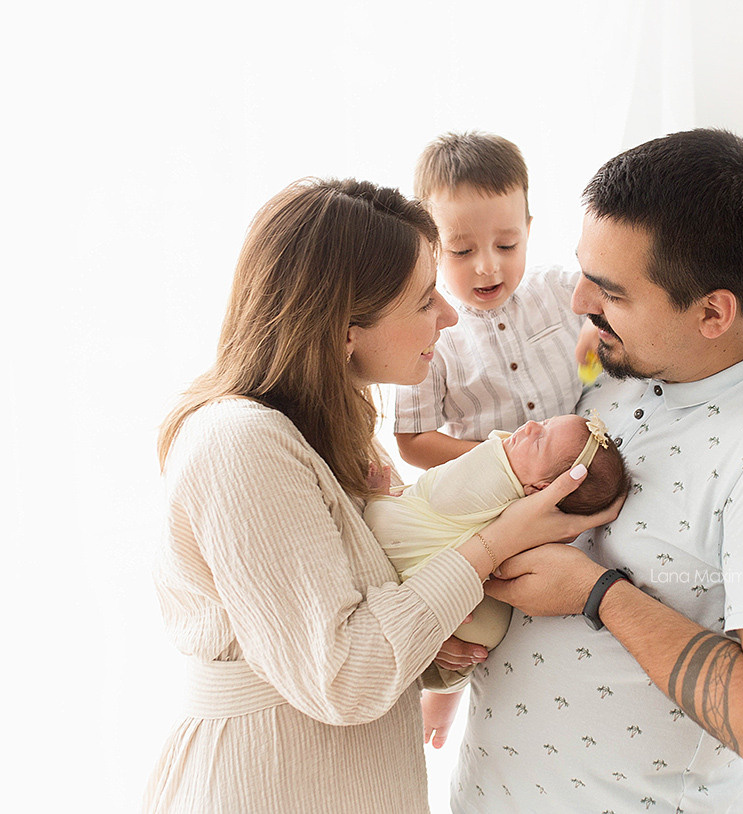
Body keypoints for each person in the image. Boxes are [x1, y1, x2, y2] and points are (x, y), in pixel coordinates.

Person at [141, 178, 620, 814]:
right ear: (344, 328)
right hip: (267, 786)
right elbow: (342, 676)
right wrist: (498, 540)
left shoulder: (332, 437)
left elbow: (350, 621)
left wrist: (433, 647)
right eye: (425, 301)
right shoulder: (240, 444)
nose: (450, 316)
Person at [449, 129, 743, 813]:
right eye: (583, 270)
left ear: (713, 312)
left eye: (610, 291)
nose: (577, 303)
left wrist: (597, 595)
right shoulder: (613, 359)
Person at [365, 411, 628, 747]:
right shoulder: (540, 513)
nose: (530, 426)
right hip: (482, 622)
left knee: (386, 519)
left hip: (415, 573)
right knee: (469, 640)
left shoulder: (491, 477)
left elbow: (441, 490)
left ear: (544, 488)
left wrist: (378, 499)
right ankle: (443, 703)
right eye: (545, 423)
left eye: (540, 440)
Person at [394, 131, 597, 469]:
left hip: (580, 465)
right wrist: (505, 460)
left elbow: (614, 287)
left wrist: (597, 323)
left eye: (506, 246)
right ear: (432, 247)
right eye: (462, 251)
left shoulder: (557, 289)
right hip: (493, 488)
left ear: (527, 233)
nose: (488, 267)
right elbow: (413, 441)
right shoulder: (428, 336)